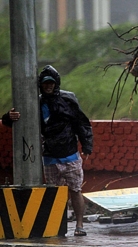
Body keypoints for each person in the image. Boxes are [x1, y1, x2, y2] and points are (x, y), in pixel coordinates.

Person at [2, 65, 93, 236]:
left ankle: (79, 225)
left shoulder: (68, 99)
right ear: (40, 85)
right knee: (55, 193)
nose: (48, 86)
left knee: (75, 190)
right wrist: (8, 116)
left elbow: (81, 122)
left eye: (51, 83)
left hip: (70, 154)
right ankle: (57, 225)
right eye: (45, 83)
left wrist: (87, 145)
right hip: (49, 156)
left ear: (56, 83)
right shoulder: (34, 102)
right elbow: (15, 119)